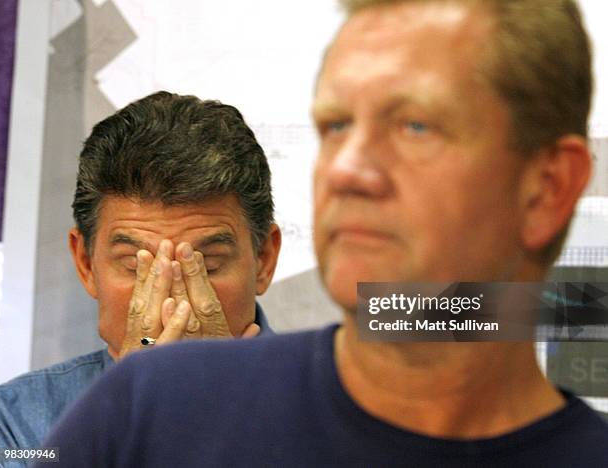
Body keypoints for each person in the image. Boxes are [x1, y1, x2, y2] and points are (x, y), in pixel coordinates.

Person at [40, 1, 608, 466]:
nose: (344, 169)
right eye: (336, 125)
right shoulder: (139, 410)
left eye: (415, 125)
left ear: (547, 188)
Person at [0, 92, 281, 454]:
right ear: (86, 264)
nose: (175, 301)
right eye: (137, 266)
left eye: (206, 266)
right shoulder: (11, 424)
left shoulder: (349, 410)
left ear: (264, 259)